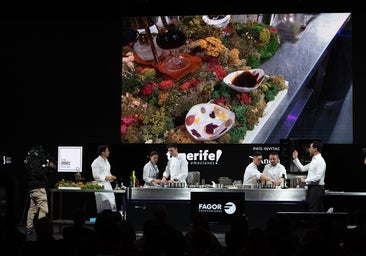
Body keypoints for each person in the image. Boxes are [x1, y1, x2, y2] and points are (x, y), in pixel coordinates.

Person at [24, 145, 56, 235]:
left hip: (33, 189)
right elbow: (39, 174)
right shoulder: (35, 161)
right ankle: (41, 229)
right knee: (44, 210)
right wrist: (47, 167)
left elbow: (38, 173)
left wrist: (48, 168)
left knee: (32, 209)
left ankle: (29, 228)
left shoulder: (30, 160)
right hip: (38, 189)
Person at [292, 140, 326, 212]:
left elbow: (318, 177)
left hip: (316, 190)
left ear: (315, 149)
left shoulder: (320, 161)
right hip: (312, 189)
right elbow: (302, 168)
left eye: (310, 147)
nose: (309, 149)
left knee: (313, 212)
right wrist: (295, 158)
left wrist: (305, 180)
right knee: (317, 211)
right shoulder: (314, 160)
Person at [91, 144, 117, 213]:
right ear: (103, 152)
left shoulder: (107, 161)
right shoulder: (96, 162)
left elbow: (107, 172)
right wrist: (106, 177)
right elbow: (95, 175)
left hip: (108, 185)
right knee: (103, 207)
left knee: (111, 204)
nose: (109, 152)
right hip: (100, 186)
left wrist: (111, 177)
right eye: (107, 151)